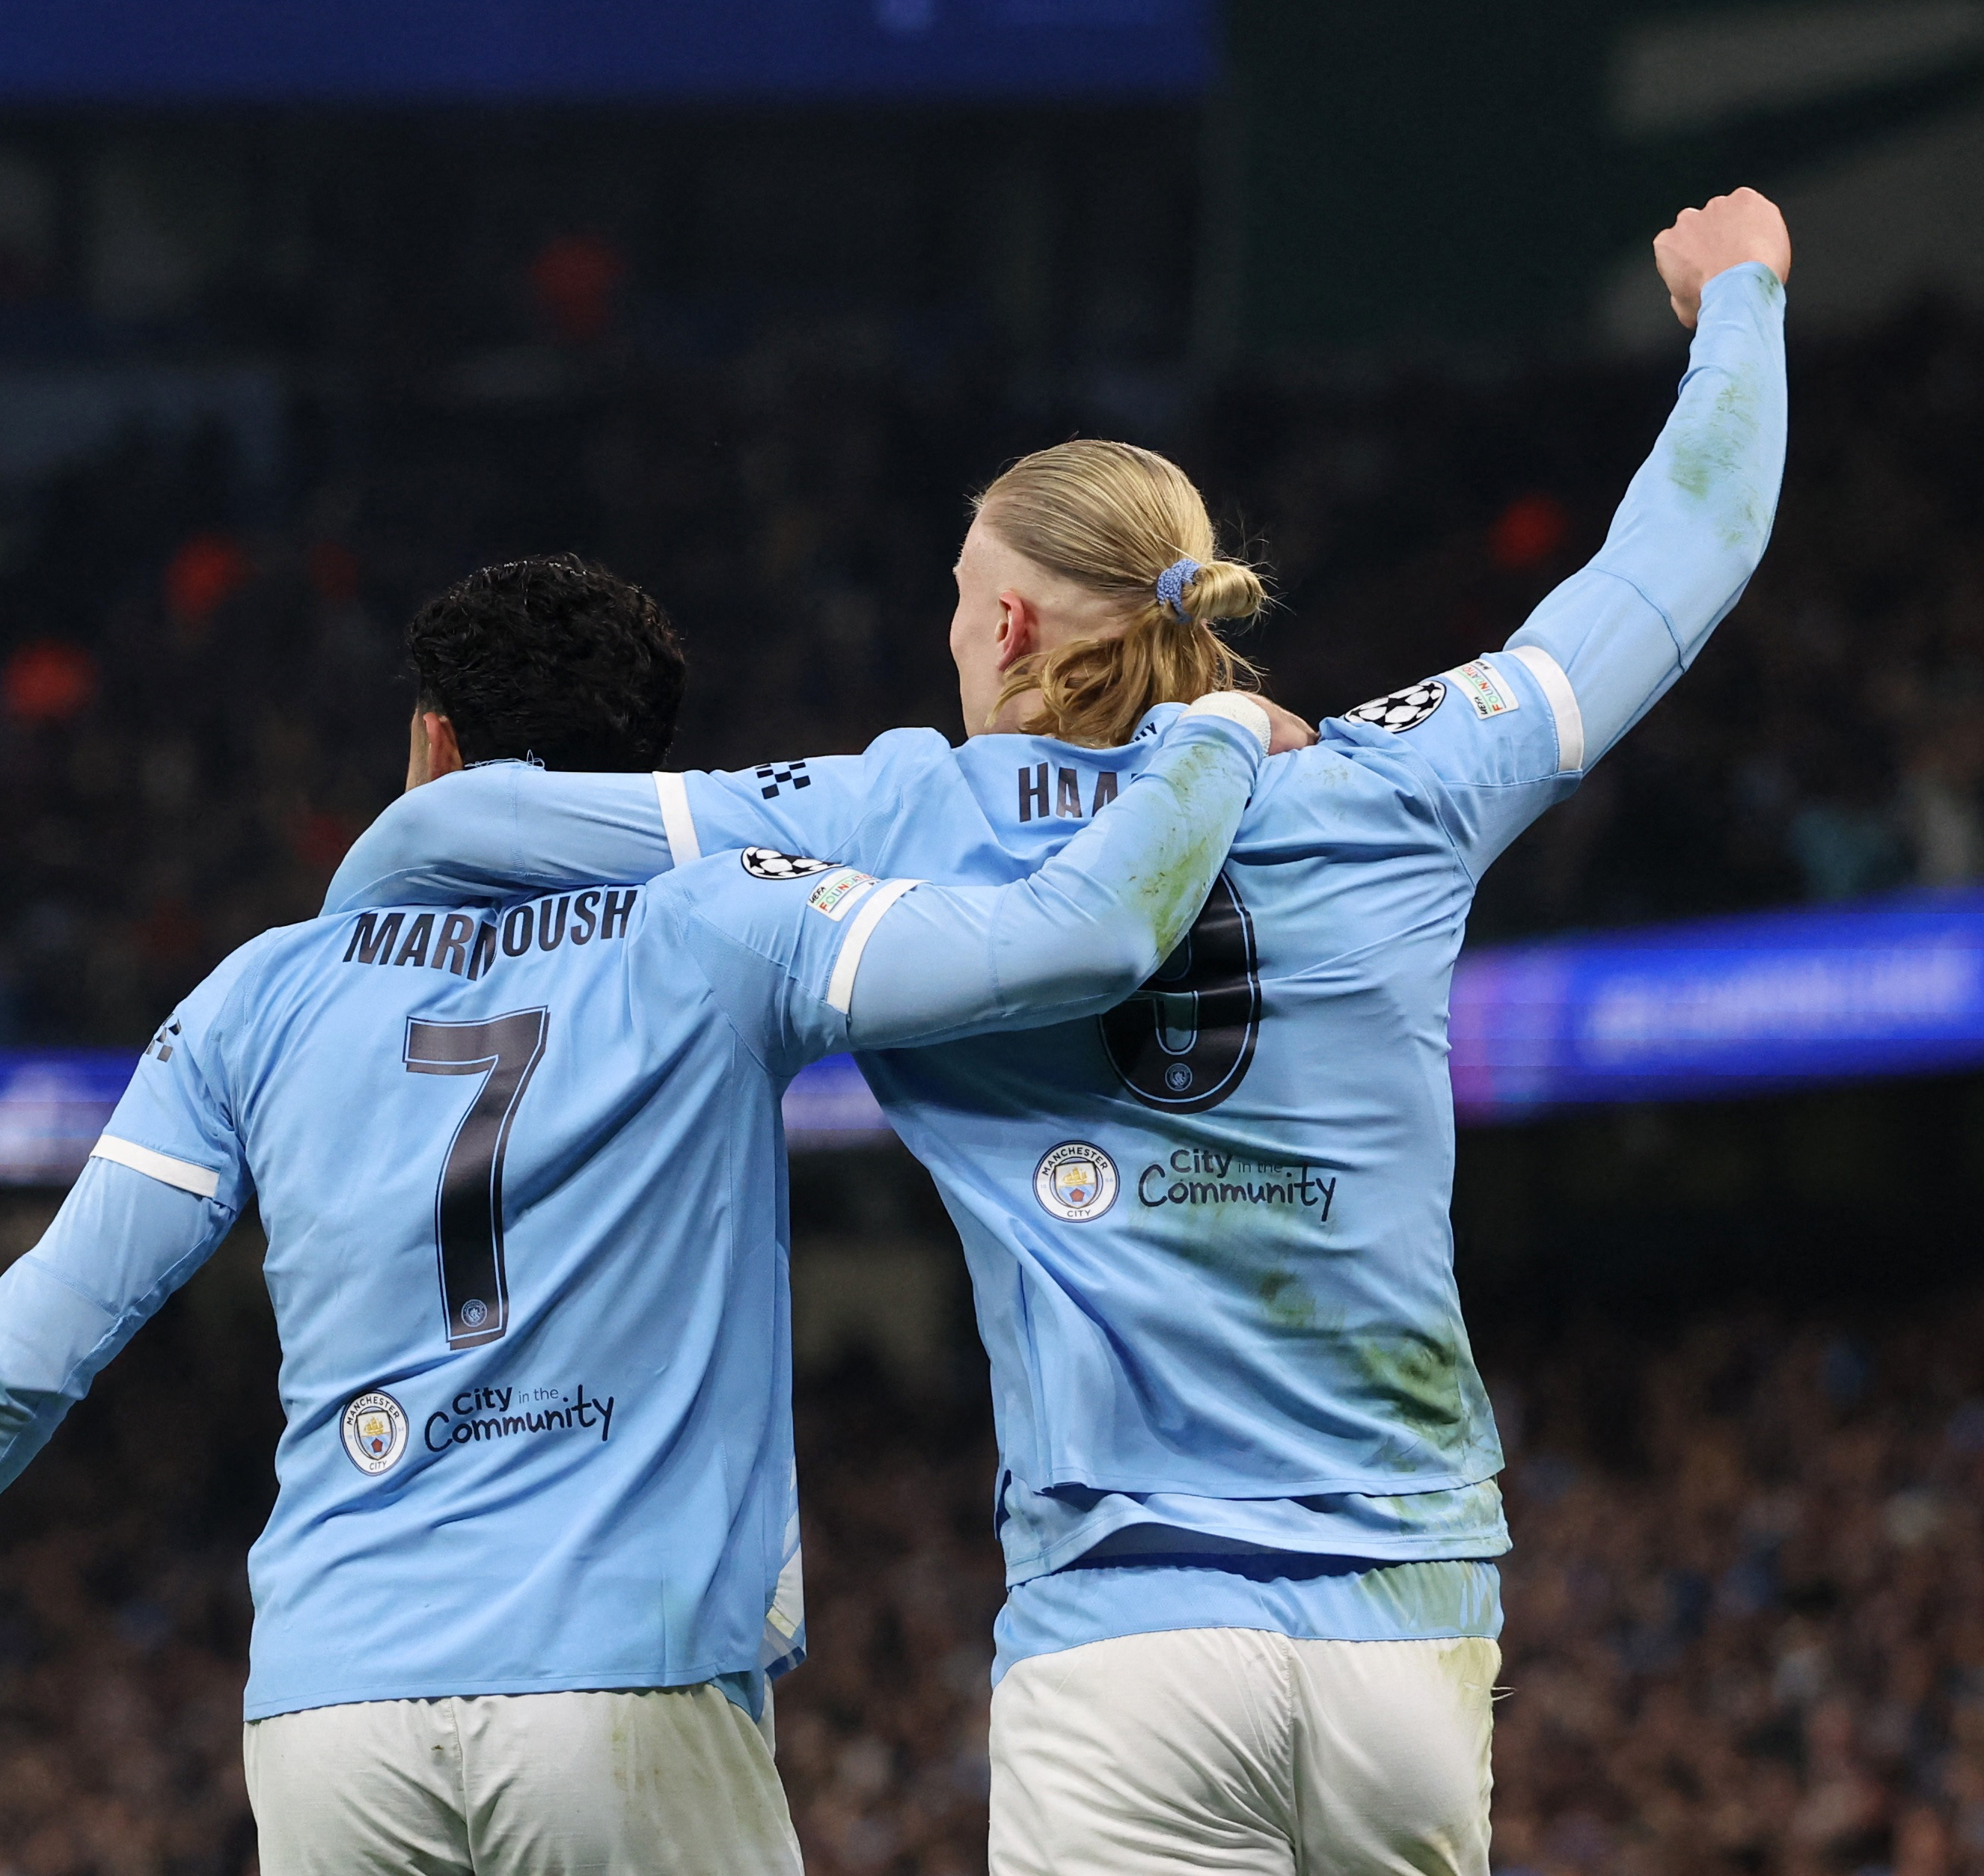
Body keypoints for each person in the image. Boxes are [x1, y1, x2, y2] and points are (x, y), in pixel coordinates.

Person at [319, 188, 1795, 1874]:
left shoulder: (896, 816)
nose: (955, 631)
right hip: (1406, 1623)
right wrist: (1741, 300)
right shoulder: (1393, 780)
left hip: (1127, 1643)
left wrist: (389, 860)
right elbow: (1679, 556)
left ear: (1009, 624)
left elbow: (514, 823)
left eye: (962, 599)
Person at [0, 554, 1279, 1870]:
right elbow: (1072, 942)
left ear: (433, 745)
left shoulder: (259, 993)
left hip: (330, 1723)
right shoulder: (726, 921)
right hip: (625, 1692)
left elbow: (26, 1350)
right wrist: (1207, 741)